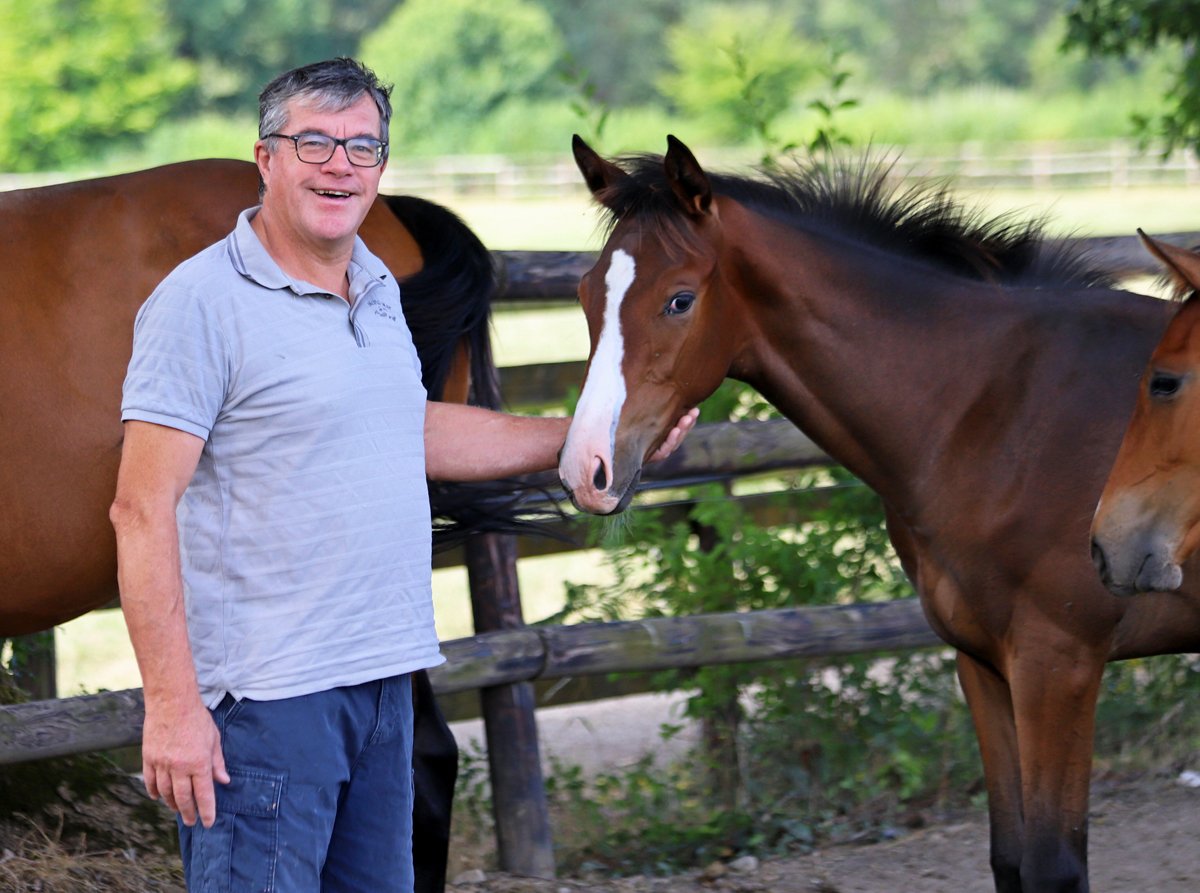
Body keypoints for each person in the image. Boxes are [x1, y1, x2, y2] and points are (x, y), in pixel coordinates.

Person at [109, 57, 696, 892]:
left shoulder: (374, 285)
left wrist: (579, 439)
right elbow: (141, 508)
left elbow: (409, 428)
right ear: (266, 158)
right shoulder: (200, 303)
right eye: (313, 142)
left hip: (384, 684)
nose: (340, 164)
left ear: (381, 165)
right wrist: (172, 706)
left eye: (362, 146)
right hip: (270, 701)